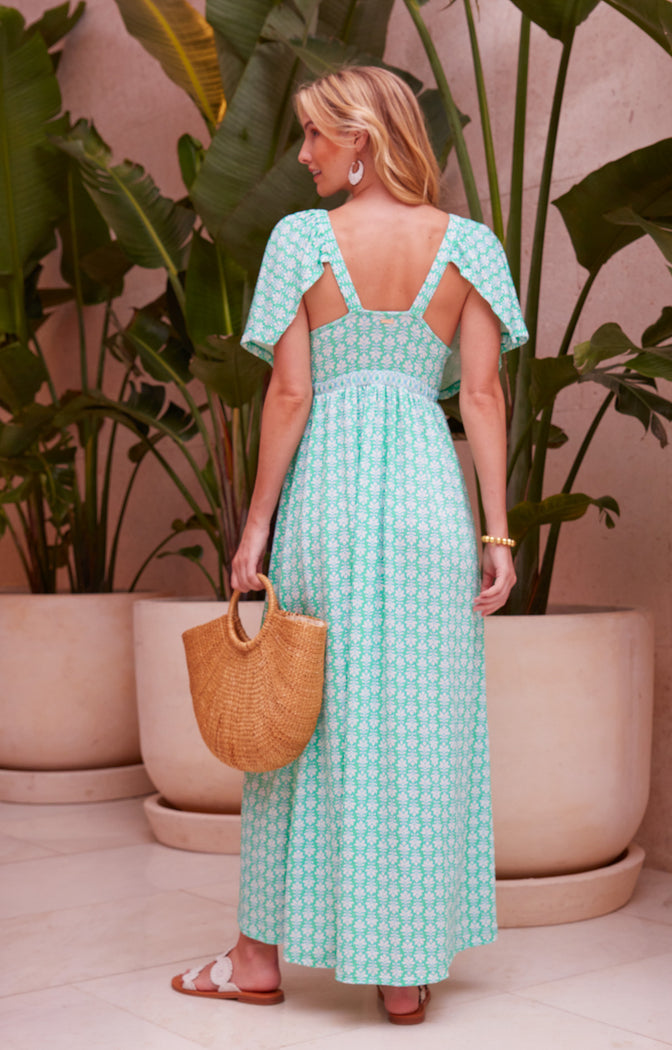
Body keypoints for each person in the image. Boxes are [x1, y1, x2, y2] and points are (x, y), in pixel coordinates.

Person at [171, 65, 528, 1026]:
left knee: (306, 716)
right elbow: (484, 397)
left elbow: (288, 395)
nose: (302, 155)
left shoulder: (300, 243)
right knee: (415, 721)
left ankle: (257, 957)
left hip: (328, 493)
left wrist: (256, 527)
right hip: (424, 497)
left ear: (362, 137)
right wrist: (497, 530)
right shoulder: (472, 248)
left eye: (316, 137)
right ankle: (402, 972)